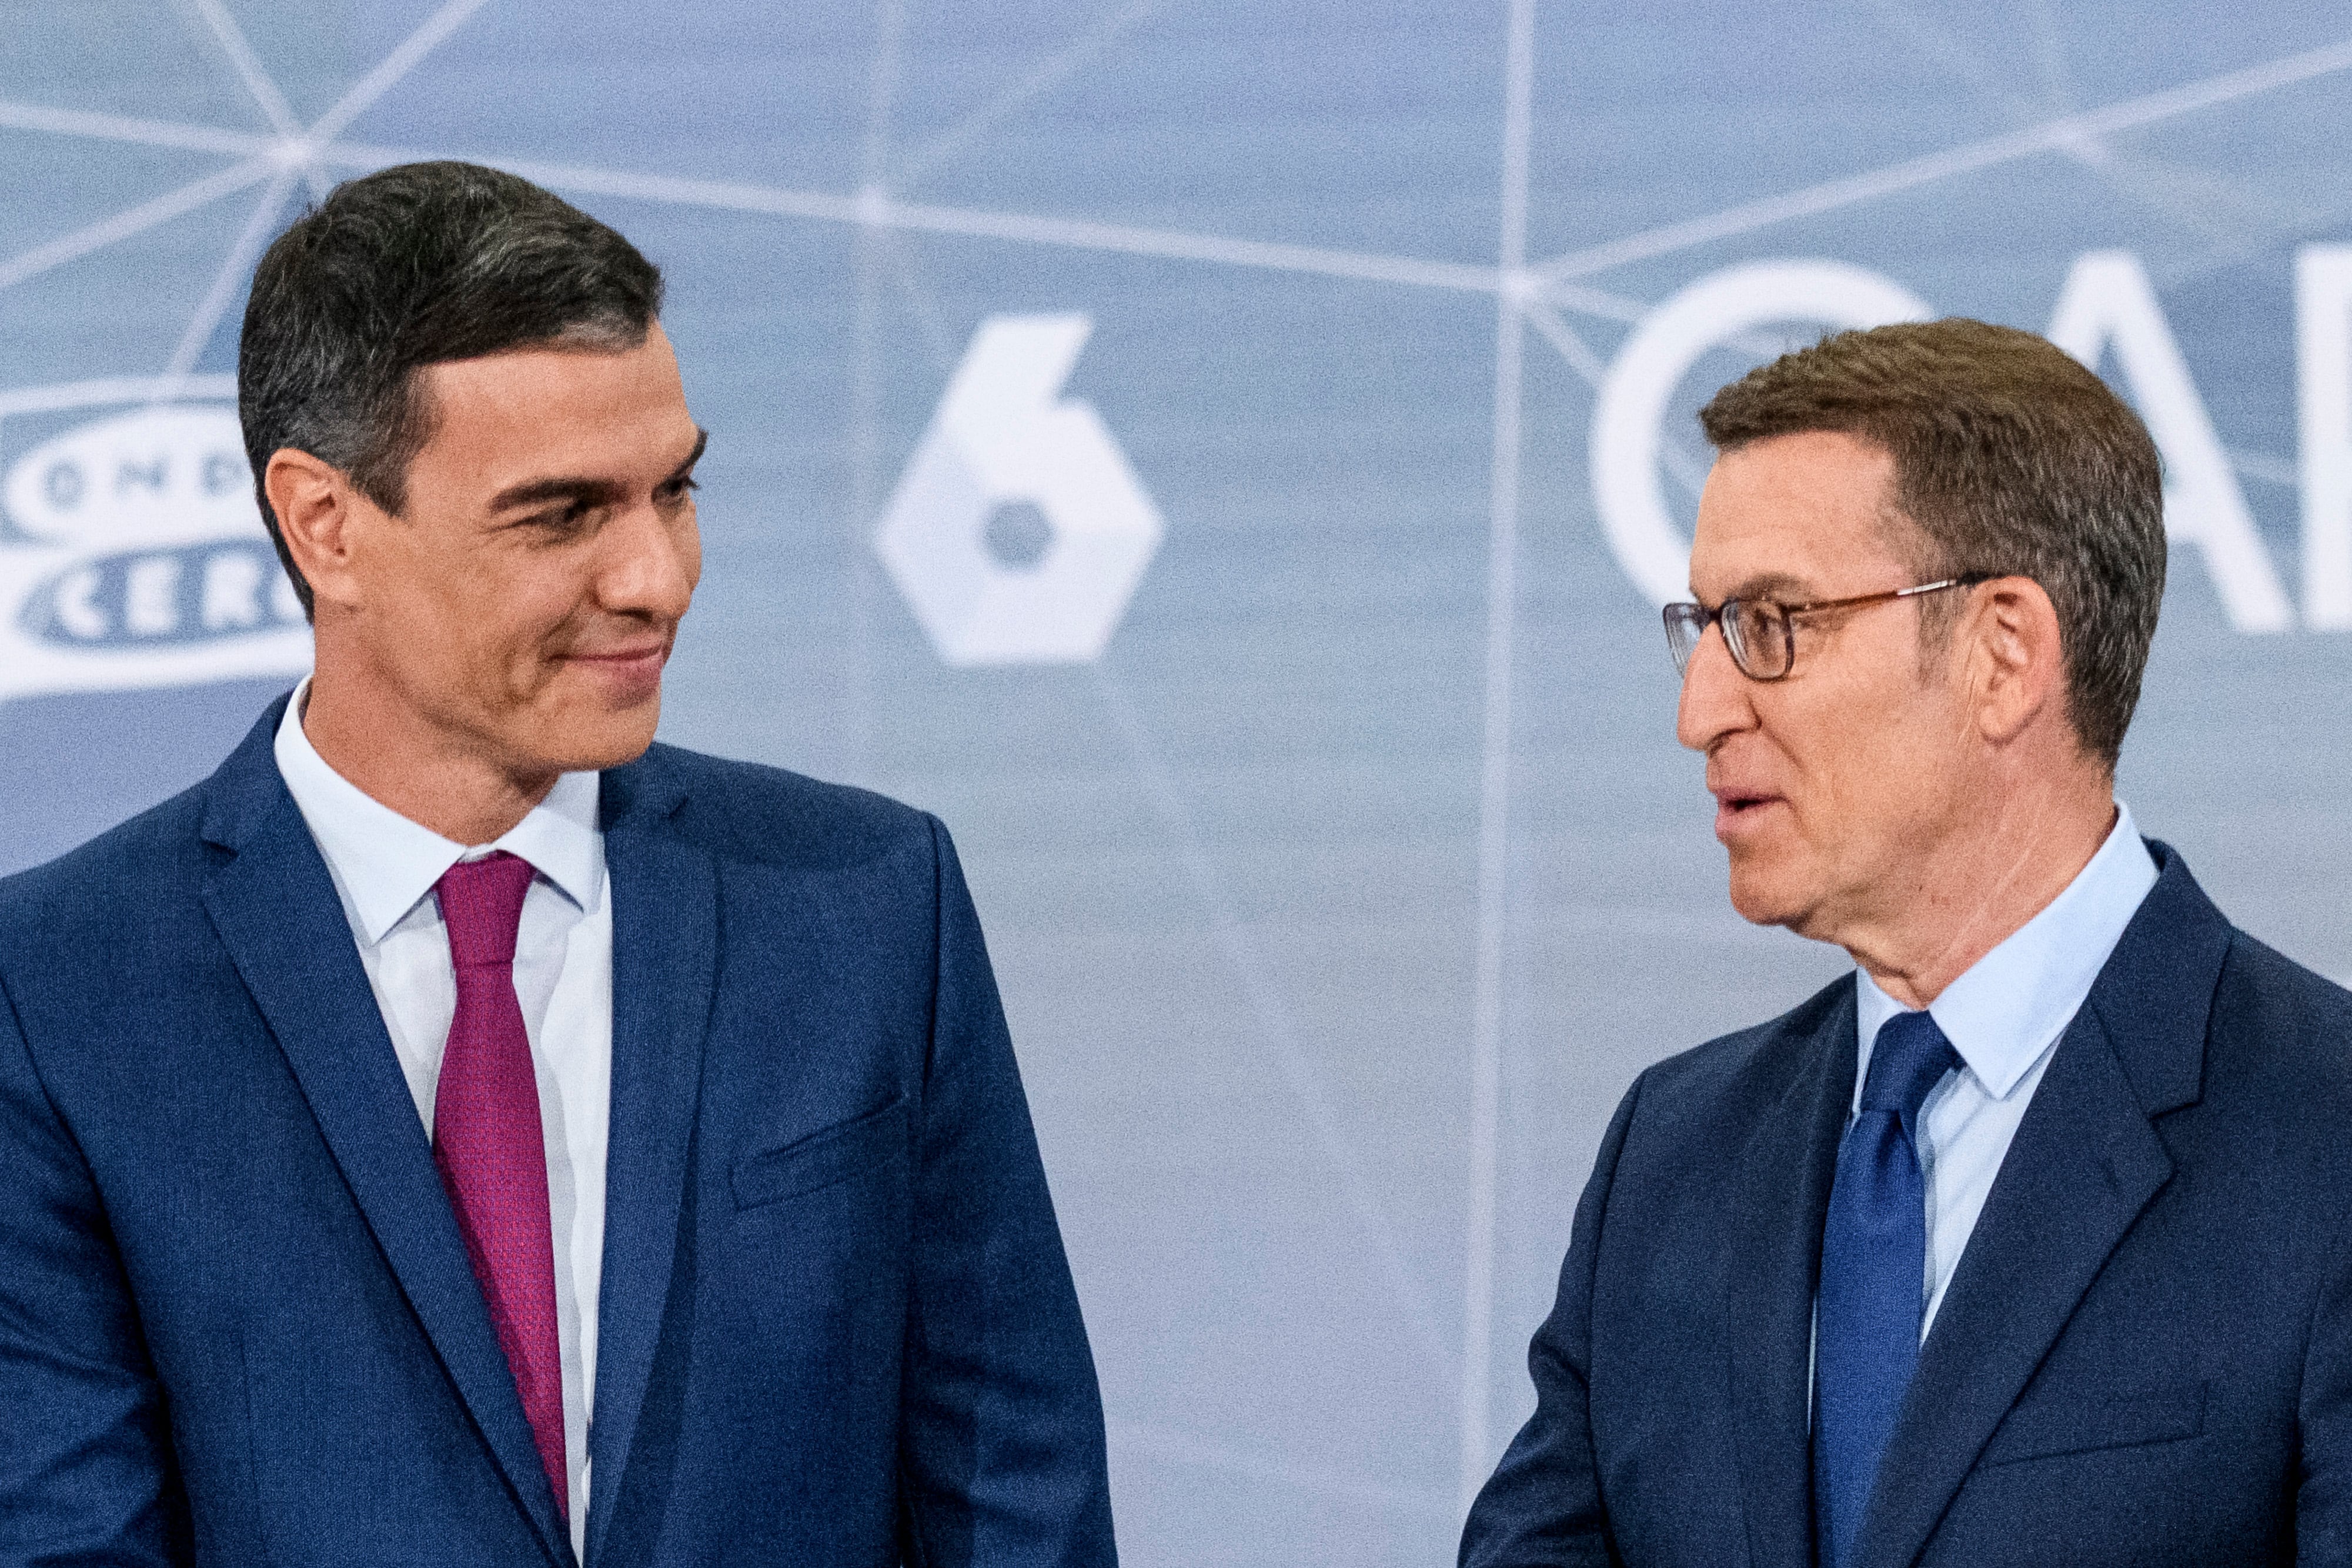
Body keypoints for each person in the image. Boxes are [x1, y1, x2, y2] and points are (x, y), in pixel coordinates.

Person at [0, 162, 1116, 1568]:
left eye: (674, 489)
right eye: (563, 513)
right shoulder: (55, 988)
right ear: (326, 523)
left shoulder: (867, 905)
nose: (657, 576)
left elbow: (1010, 1492)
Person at [1460, 319, 2352, 1567]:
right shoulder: (1670, 1156)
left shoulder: (2322, 1135)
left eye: (1770, 623)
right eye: (1701, 626)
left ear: (2001, 655)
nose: (1698, 709)